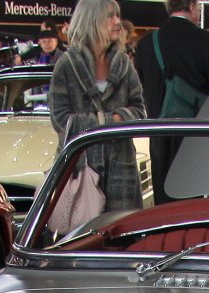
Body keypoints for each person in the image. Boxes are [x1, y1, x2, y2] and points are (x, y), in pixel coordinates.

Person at [50, 0, 147, 212]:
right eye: (110, 16)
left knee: (123, 230)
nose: (117, 21)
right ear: (91, 20)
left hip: (121, 172)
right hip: (78, 169)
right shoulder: (67, 65)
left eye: (117, 15)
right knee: (78, 231)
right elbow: (60, 119)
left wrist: (95, 122)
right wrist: (111, 121)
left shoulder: (124, 64)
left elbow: (140, 112)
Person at [134, 0, 209, 203]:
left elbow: (141, 84)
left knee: (163, 199)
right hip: (194, 135)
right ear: (191, 6)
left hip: (159, 133)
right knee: (191, 199)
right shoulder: (205, 40)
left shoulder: (147, 43)